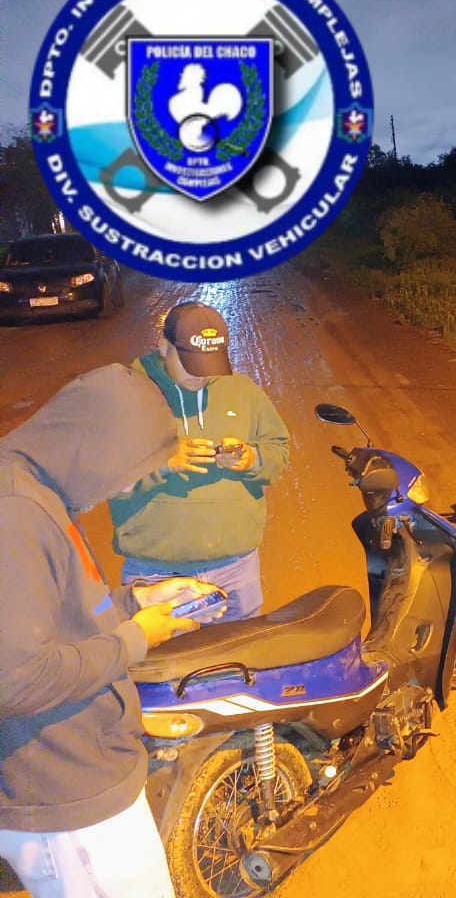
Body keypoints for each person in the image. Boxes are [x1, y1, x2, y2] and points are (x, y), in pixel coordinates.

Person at [0, 364, 224, 898]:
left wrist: (135, 601)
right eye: (126, 470)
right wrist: (134, 639)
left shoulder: (40, 489)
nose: (123, 486)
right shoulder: (15, 516)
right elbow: (15, 680)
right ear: (94, 445)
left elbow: (66, 610)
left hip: (80, 767)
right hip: (67, 796)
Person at [109, 300, 290, 621]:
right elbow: (99, 479)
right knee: (164, 654)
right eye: (192, 363)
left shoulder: (243, 392)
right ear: (164, 346)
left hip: (237, 568)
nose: (203, 375)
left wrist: (252, 458)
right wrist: (162, 463)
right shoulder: (126, 396)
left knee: (239, 651)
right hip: (156, 575)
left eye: (210, 362)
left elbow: (279, 451)